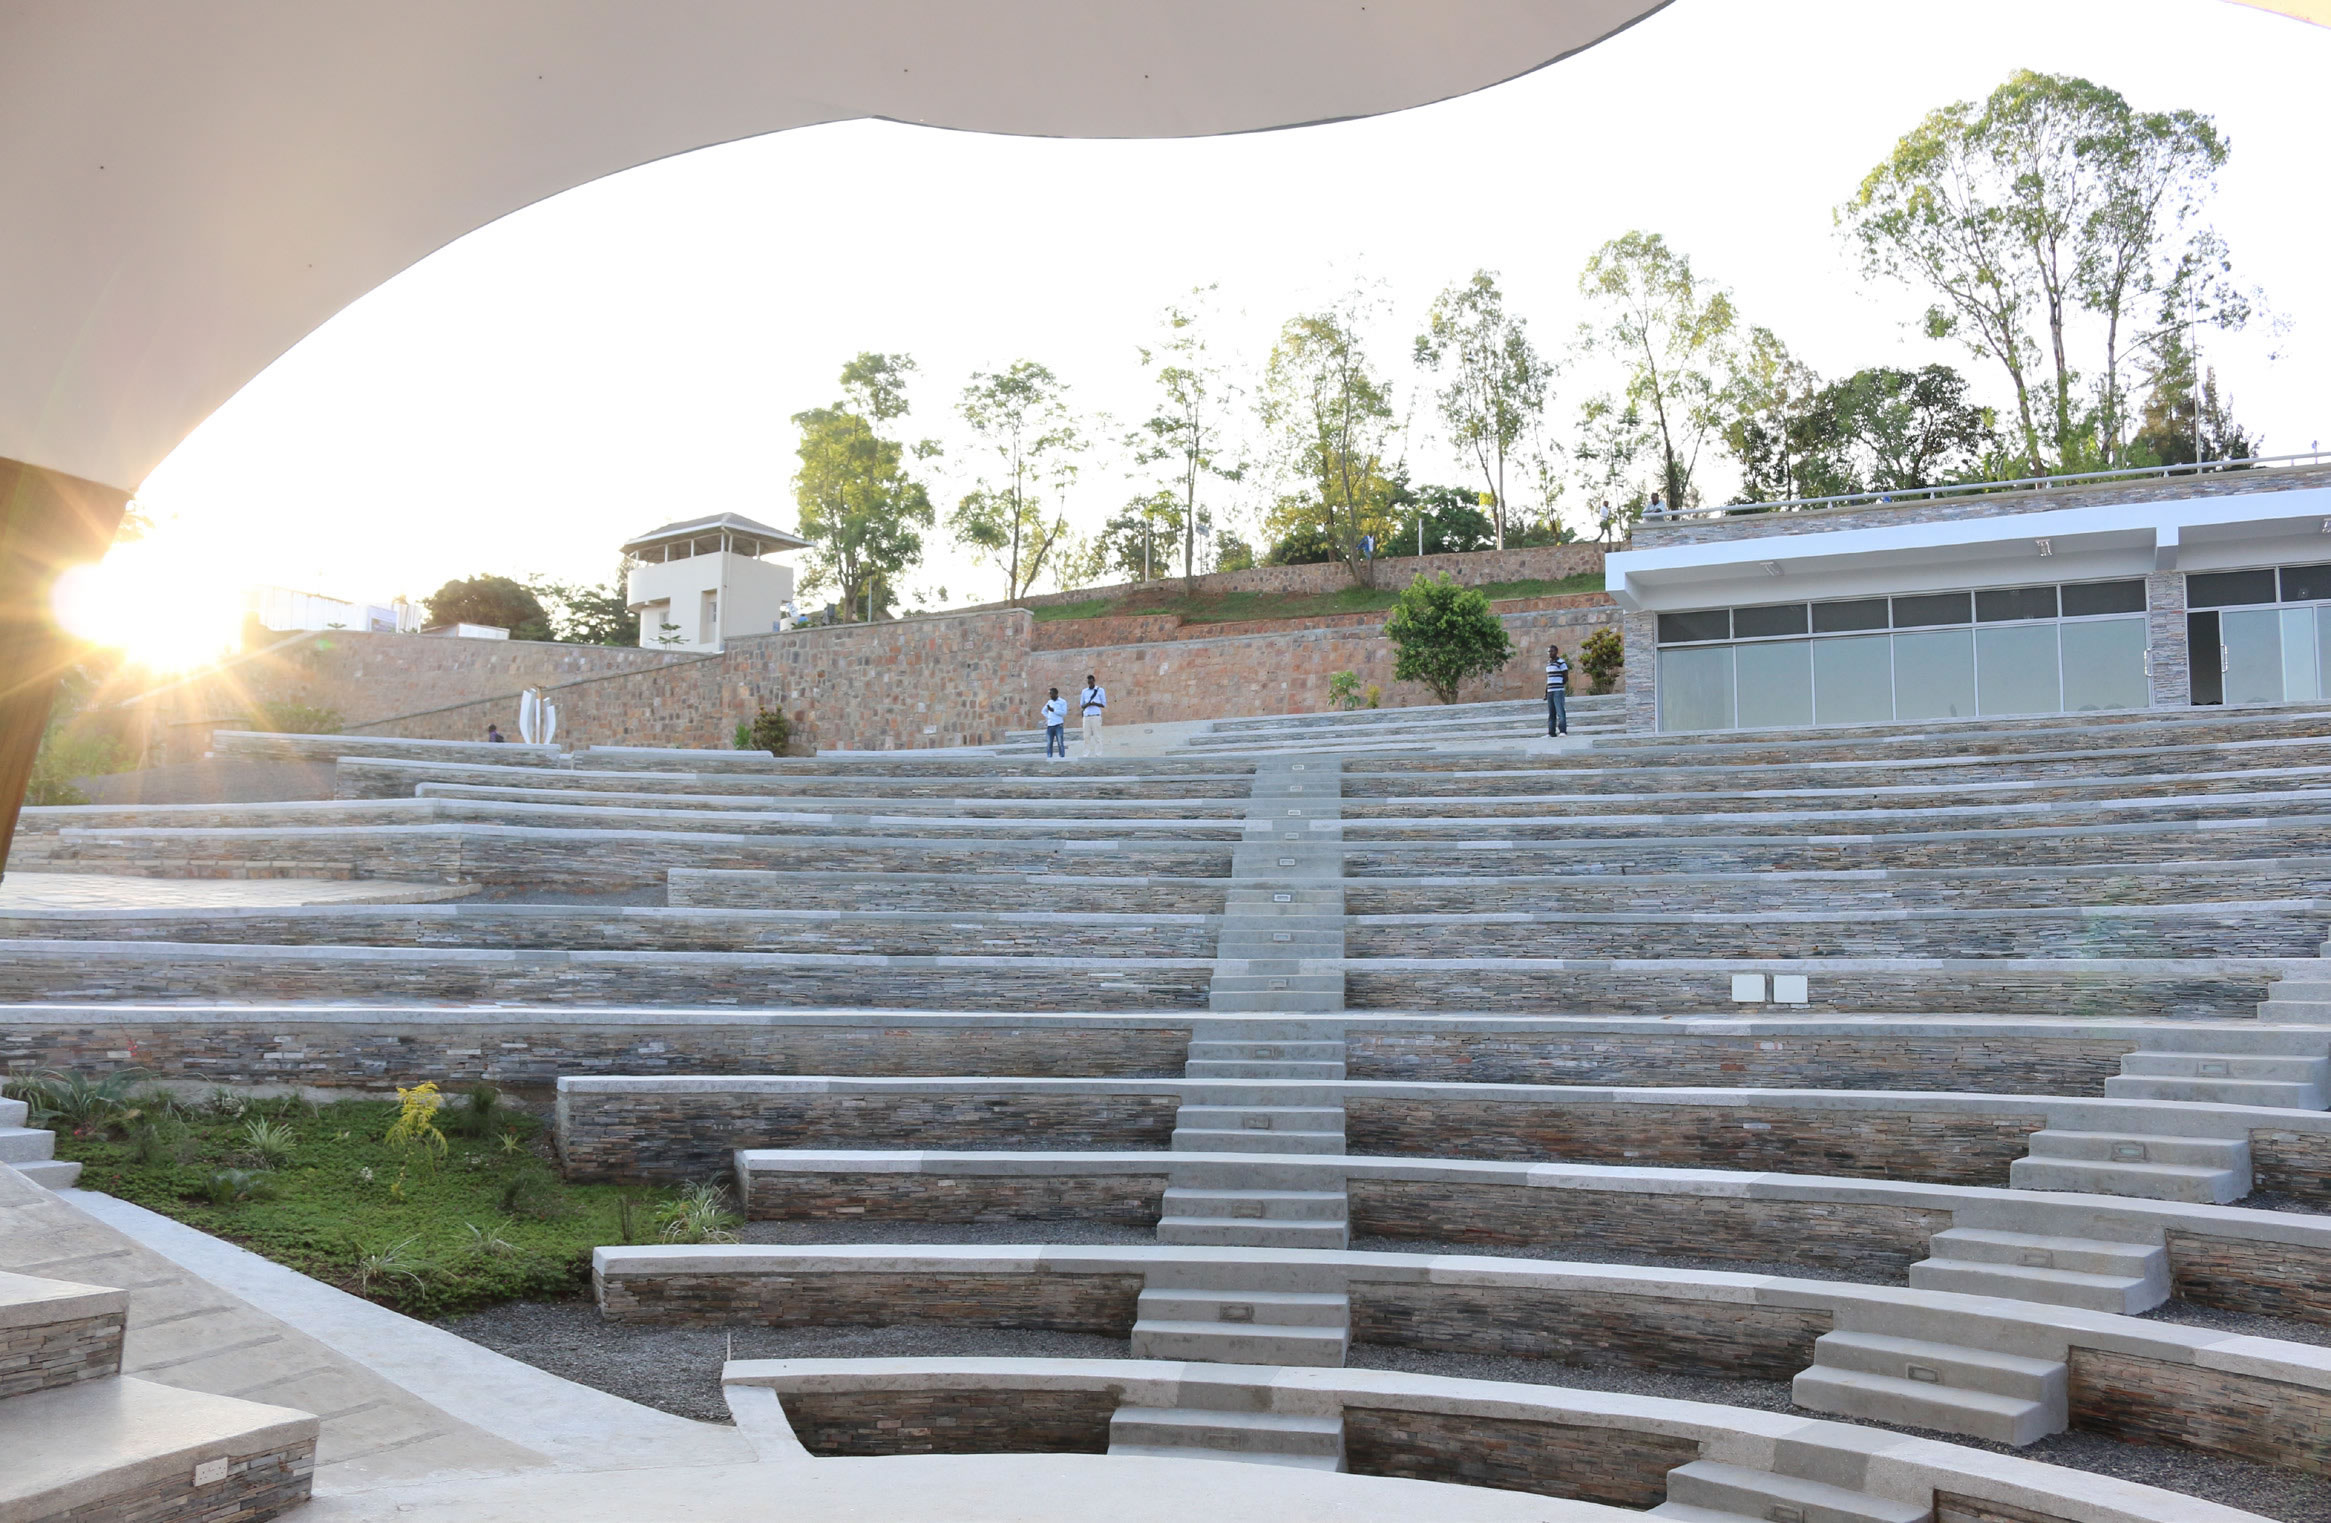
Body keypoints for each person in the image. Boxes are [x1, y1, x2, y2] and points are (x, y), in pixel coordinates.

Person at [1078, 673, 1108, 759]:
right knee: (1086, 736)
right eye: (1088, 682)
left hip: (1096, 715)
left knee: (1097, 736)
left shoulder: (1100, 690)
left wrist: (1095, 703)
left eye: (1091, 682)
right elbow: (1082, 705)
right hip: (1086, 716)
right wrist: (1087, 704)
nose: (1090, 684)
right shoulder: (1084, 691)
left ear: (1094, 681)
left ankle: (1098, 754)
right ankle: (1086, 754)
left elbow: (1103, 704)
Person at [1544, 644, 1571, 737]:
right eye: (1549, 651)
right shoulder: (1548, 663)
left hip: (1558, 690)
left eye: (1551, 651)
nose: (1550, 653)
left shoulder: (1561, 662)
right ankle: (1551, 732)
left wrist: (1560, 685)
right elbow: (1548, 679)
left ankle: (1563, 731)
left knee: (1560, 711)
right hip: (1550, 691)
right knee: (1551, 713)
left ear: (1556, 651)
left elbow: (1565, 676)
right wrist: (1546, 692)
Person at [1041, 686, 1068, 760]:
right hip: (1050, 725)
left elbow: (1064, 713)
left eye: (1052, 694)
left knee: (1060, 742)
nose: (1050, 695)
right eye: (1050, 694)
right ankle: (1049, 757)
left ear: (1056, 693)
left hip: (1058, 725)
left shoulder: (1062, 702)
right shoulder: (1049, 702)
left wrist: (1054, 711)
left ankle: (1062, 757)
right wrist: (1049, 716)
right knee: (1049, 743)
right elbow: (1043, 711)